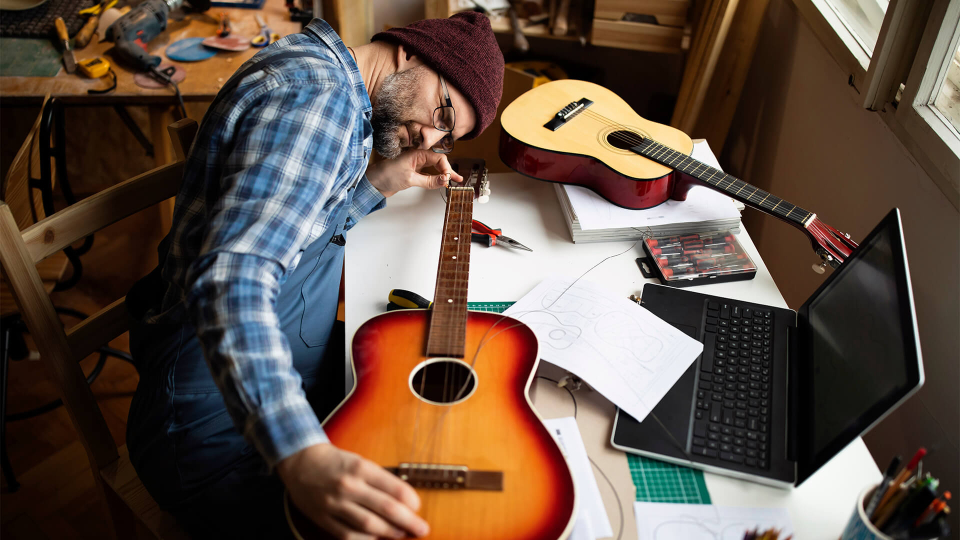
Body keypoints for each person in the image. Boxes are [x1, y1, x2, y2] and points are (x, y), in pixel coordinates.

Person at [124, 12, 504, 539]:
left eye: (446, 136)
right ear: (411, 53)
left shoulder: (333, 88)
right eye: (443, 113)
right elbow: (234, 278)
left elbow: (299, 233)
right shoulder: (319, 103)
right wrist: (301, 452)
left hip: (282, 377)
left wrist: (377, 184)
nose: (429, 136)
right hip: (210, 432)